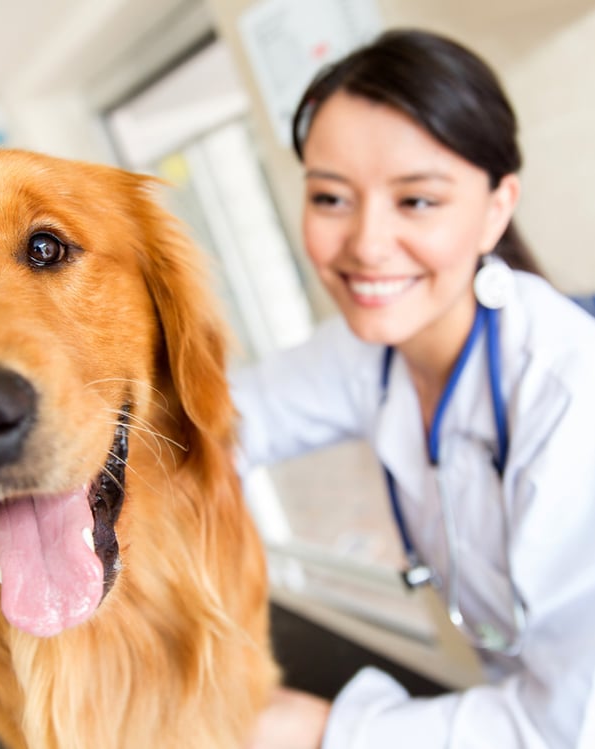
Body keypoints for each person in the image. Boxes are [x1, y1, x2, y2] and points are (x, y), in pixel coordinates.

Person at [232, 28, 595, 748]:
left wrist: (315, 729)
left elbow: (566, 726)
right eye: (330, 197)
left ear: (495, 207)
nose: (365, 243)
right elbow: (222, 418)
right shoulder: (369, 351)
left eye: (417, 201)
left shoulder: (569, 401)